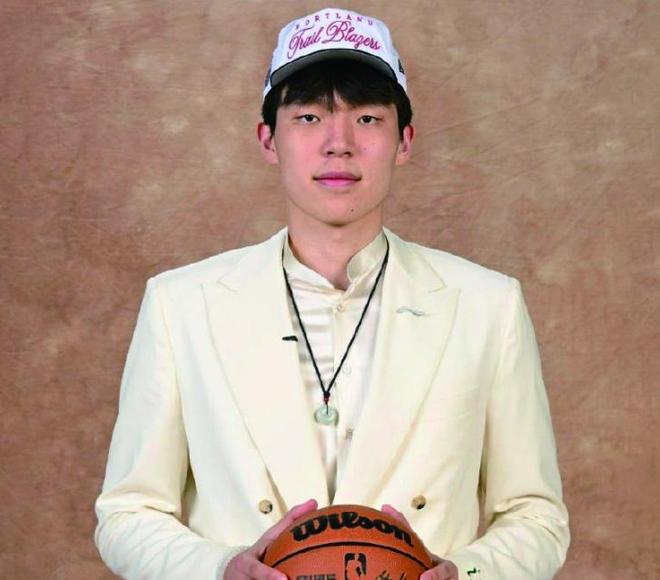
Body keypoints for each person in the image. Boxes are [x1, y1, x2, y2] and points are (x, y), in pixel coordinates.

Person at [94, 7, 570, 580]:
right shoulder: (181, 305)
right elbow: (128, 512)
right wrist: (219, 569)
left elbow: (536, 516)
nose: (338, 143)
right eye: (309, 116)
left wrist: (468, 574)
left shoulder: (487, 305)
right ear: (269, 140)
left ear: (404, 141)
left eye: (367, 118)